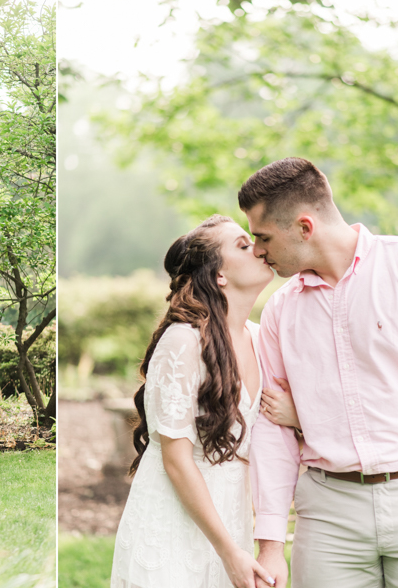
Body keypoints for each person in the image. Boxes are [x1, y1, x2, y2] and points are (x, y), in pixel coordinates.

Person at [241, 157, 398, 588]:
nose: (258, 251)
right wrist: (269, 544)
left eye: (263, 237)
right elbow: (272, 429)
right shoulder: (281, 311)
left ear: (305, 227)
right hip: (328, 515)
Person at [110, 215, 279, 588]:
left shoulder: (262, 337)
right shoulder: (183, 341)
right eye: (242, 244)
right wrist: (229, 551)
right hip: (173, 519)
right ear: (220, 274)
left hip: (233, 514)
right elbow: (175, 459)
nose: (259, 248)